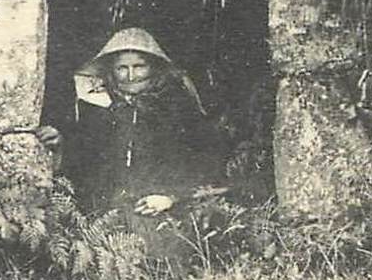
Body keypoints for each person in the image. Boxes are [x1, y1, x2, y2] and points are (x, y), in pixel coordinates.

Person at [36, 27, 230, 264]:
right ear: (111, 71)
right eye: (122, 68)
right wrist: (59, 142)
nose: (130, 75)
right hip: (103, 211)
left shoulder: (178, 106)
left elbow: (201, 159)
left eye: (139, 66)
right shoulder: (96, 107)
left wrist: (171, 196)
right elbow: (82, 155)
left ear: (153, 67)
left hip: (158, 208)